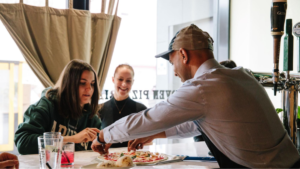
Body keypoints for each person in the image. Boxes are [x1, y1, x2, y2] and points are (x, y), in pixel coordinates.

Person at [91, 24, 300, 168]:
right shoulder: (241, 75)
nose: (174, 71)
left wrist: (103, 136)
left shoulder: (201, 87)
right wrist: (156, 134)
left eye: (173, 63)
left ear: (183, 54)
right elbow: (198, 124)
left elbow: (149, 118)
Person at [15, 59, 101, 155]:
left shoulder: (91, 117)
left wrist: (103, 143)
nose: (89, 88)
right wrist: (72, 139)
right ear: (69, 84)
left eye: (92, 84)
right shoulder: (47, 105)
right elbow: (23, 143)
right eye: (82, 82)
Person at [98, 64, 147, 147]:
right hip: (106, 158)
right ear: (113, 80)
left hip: (133, 157)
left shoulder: (141, 109)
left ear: (132, 82)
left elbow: (147, 138)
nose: (124, 84)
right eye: (120, 79)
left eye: (128, 81)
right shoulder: (100, 109)